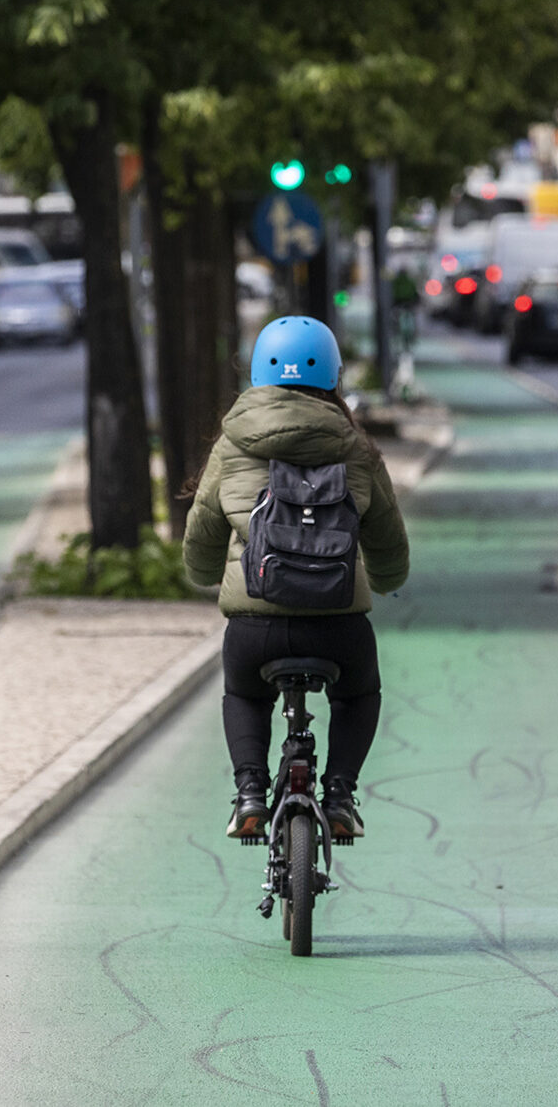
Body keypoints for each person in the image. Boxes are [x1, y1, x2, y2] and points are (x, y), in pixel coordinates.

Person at [182, 316, 411, 841]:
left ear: (259, 372)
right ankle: (339, 795)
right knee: (359, 694)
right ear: (333, 373)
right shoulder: (357, 447)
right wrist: (387, 577)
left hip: (254, 626)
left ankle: (248, 795)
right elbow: (387, 539)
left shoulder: (232, 444)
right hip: (338, 624)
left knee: (243, 693)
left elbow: (204, 527)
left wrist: (201, 575)